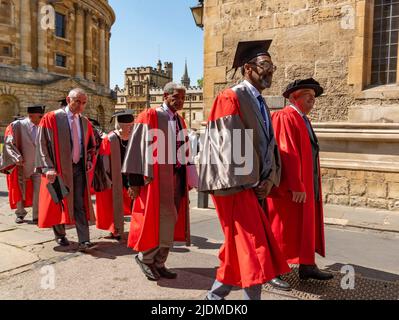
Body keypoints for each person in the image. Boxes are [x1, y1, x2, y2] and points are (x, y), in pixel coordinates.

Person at [198, 40, 291, 300]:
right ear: (248, 68)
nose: (270, 70)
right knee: (254, 248)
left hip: (257, 187)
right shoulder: (231, 97)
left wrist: (270, 180)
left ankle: (214, 298)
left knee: (239, 249)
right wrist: (252, 182)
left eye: (272, 66)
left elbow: (271, 147)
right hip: (237, 187)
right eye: (265, 65)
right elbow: (228, 145)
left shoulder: (262, 103)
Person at [122, 82, 191, 281]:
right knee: (153, 221)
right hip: (154, 181)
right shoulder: (149, 116)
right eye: (176, 97)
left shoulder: (180, 120)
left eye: (183, 98)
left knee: (171, 220)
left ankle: (160, 262)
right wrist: (133, 182)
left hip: (175, 178)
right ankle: (146, 258)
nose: (180, 101)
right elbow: (135, 149)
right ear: (165, 96)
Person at [266, 78, 333, 281]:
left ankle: (306, 265)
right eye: (308, 97)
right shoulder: (285, 117)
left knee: (304, 227)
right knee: (282, 228)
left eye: (314, 98)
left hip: (306, 185)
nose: (313, 101)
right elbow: (286, 153)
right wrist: (296, 184)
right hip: (289, 189)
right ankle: (273, 270)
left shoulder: (303, 119)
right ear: (295, 97)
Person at [35, 88, 97, 251]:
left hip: (78, 168)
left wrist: (89, 159)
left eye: (84, 103)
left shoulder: (84, 121)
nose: (81, 106)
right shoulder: (52, 118)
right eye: (77, 101)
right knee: (59, 201)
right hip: (58, 169)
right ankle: (60, 235)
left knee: (79, 203)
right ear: (69, 100)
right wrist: (48, 167)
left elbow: (91, 145)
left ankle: (84, 240)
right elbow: (42, 143)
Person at [0, 105, 45, 224]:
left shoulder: (43, 126)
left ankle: (37, 216)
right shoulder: (17, 126)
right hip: (21, 164)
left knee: (38, 191)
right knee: (19, 189)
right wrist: (16, 157)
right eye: (39, 116)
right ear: (30, 116)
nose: (42, 118)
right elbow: (8, 143)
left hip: (38, 165)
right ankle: (20, 214)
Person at [94, 110, 135, 240]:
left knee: (134, 203)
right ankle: (115, 229)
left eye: (132, 125)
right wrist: (108, 179)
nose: (130, 128)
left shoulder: (134, 137)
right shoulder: (110, 139)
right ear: (120, 126)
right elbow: (103, 162)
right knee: (113, 205)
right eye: (127, 126)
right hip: (113, 177)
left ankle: (137, 228)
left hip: (130, 176)